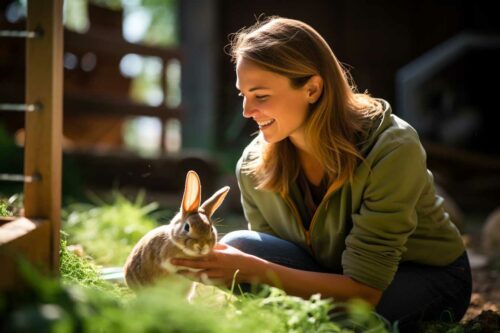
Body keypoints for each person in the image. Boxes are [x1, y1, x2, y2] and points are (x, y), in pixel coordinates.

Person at [171, 16, 472, 331]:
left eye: (260, 96)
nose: (247, 111)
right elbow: (267, 258)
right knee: (240, 246)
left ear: (312, 89)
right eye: (242, 95)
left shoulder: (393, 148)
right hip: (331, 272)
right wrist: (237, 266)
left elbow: (364, 290)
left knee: (345, 317)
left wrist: (252, 271)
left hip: (426, 275)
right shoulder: (252, 165)